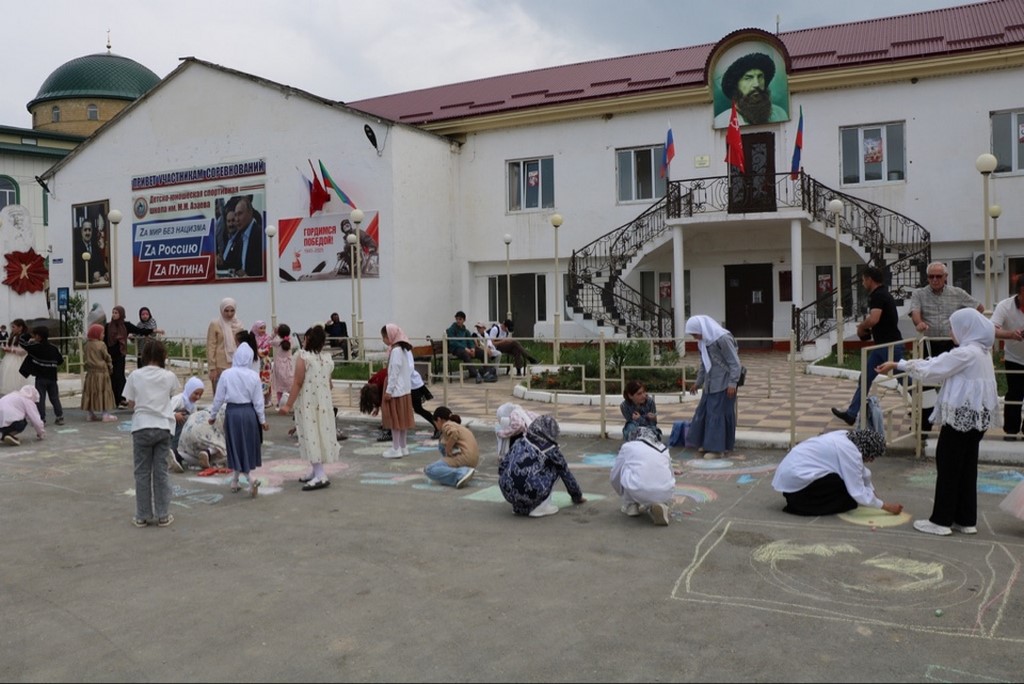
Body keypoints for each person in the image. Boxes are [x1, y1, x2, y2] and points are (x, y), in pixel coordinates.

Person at [876, 308, 999, 536]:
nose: (951, 332)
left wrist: (899, 365)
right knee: (966, 468)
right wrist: (898, 364)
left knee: (949, 466)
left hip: (960, 418)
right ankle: (965, 519)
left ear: (966, 328)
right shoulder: (982, 352)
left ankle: (941, 521)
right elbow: (939, 362)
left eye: (954, 327)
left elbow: (933, 368)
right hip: (975, 419)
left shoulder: (966, 353)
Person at [909, 262, 983, 437]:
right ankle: (923, 428)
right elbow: (915, 312)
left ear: (945, 277)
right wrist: (919, 322)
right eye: (931, 277)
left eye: (938, 276)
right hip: (928, 343)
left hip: (952, 345)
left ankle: (955, 425)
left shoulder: (957, 293)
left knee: (956, 385)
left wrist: (970, 329)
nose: (934, 280)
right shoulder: (919, 293)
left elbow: (979, 308)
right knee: (925, 384)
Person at [771, 429, 904, 517]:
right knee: (846, 494)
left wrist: (874, 494)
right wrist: (886, 507)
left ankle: (800, 502)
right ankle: (801, 506)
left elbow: (863, 473)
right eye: (872, 456)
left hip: (793, 479)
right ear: (867, 451)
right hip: (797, 485)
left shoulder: (847, 437)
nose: (871, 460)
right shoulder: (850, 452)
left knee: (844, 486)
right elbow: (857, 490)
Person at [831, 266, 903, 427]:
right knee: (866, 378)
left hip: (890, 346)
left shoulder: (878, 295)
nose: (863, 283)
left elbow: (874, 318)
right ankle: (851, 414)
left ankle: (925, 407)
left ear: (870, 279)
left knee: (906, 378)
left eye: (863, 280)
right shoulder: (881, 294)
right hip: (881, 347)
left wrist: (861, 328)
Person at [123, 339, 181, 528]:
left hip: (141, 425)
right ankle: (163, 514)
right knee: (161, 472)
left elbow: (130, 403)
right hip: (163, 425)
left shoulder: (135, 375)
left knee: (142, 472)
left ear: (144, 355)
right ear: (163, 356)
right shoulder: (169, 376)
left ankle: (142, 515)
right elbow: (172, 396)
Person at [279, 325, 339, 491]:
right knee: (319, 433)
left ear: (307, 340)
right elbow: (330, 384)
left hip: (308, 404)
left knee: (311, 434)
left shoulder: (303, 357)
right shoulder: (326, 359)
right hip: (323, 404)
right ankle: (315, 470)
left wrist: (288, 405)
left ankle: (320, 474)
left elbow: (297, 382)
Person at [498, 415, 587, 517]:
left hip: (508, 493)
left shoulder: (519, 442)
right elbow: (566, 475)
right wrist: (577, 496)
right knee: (557, 467)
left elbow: (502, 466)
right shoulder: (550, 450)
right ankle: (541, 507)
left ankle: (519, 507)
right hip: (533, 492)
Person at [209, 344, 268, 497]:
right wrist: (262, 420)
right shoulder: (254, 375)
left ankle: (250, 479)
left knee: (235, 446)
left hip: (233, 413)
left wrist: (213, 415)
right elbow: (258, 401)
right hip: (249, 414)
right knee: (246, 446)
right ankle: (235, 481)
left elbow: (219, 397)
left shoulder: (227, 374)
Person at [684, 315, 741, 459]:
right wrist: (698, 382)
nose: (694, 337)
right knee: (706, 412)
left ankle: (718, 449)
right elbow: (704, 364)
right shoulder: (704, 342)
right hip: (710, 385)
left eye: (695, 333)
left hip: (724, 384)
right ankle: (709, 444)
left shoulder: (723, 339)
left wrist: (732, 383)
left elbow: (735, 363)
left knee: (718, 414)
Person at [610, 427, 675, 525]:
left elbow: (615, 474)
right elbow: (671, 473)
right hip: (665, 491)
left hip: (639, 489)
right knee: (657, 474)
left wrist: (621, 493)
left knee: (625, 467)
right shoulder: (663, 447)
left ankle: (631, 505)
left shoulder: (628, 446)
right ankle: (659, 504)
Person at [713, 51, 788, 127]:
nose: (757, 84)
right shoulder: (722, 122)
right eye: (748, 78)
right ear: (735, 85)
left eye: (760, 77)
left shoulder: (780, 114)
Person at [106, 305, 159, 409]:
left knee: (119, 376)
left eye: (116, 313)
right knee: (112, 377)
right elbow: (104, 339)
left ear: (121, 314)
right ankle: (113, 399)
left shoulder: (126, 325)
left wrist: (153, 330)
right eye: (113, 312)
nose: (114, 315)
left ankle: (121, 399)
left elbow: (139, 330)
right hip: (110, 355)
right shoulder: (108, 326)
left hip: (120, 354)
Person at [991, 275, 1024, 441]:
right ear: (1018, 292)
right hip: (1014, 357)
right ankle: (1011, 431)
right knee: (1014, 393)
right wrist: (1011, 334)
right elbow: (992, 330)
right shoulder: (1005, 306)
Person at [380, 324, 416, 459]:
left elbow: (394, 372)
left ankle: (396, 448)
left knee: (395, 421)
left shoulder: (395, 351)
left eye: (384, 337)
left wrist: (389, 390)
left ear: (390, 336)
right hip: (405, 390)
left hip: (396, 390)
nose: (383, 340)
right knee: (403, 420)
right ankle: (403, 446)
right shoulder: (402, 350)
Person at [424, 406, 478, 488]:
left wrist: (448, 448)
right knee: (440, 463)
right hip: (472, 459)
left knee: (429, 469)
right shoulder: (457, 425)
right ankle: (463, 471)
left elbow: (454, 434)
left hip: (463, 457)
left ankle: (461, 473)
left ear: (438, 419)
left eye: (435, 423)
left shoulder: (447, 425)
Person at [20, 325, 64, 426]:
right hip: (53, 378)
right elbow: (60, 360)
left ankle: (41, 419)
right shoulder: (54, 348)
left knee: (40, 399)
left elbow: (22, 342)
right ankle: (60, 417)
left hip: (41, 378)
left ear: (39, 336)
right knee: (54, 398)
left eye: (35, 335)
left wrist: (28, 334)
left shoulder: (35, 347)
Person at [206, 298, 245, 393]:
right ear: (221, 310)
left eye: (232, 311)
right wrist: (212, 368)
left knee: (234, 393)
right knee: (220, 393)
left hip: (236, 364)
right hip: (220, 365)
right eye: (226, 311)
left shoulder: (239, 325)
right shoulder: (215, 324)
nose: (229, 314)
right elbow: (210, 346)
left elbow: (242, 345)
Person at [81, 324, 117, 423]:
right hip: (101, 372)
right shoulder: (101, 344)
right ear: (97, 334)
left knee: (91, 392)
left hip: (91, 372)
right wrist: (110, 365)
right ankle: (105, 414)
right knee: (104, 391)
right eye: (102, 333)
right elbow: (106, 357)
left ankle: (90, 414)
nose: (104, 335)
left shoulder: (87, 345)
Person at [169, 377, 205, 471]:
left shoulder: (192, 405)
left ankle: (179, 454)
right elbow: (165, 411)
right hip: (171, 431)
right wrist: (174, 415)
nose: (197, 397)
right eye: (195, 393)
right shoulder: (178, 399)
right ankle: (172, 453)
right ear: (189, 390)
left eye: (200, 395)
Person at [226, 195, 264, 278]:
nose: (237, 219)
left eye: (240, 214)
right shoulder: (238, 239)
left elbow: (266, 266)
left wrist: (249, 276)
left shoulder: (261, 234)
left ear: (250, 213)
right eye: (235, 215)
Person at [446, 311, 486, 383]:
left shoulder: (465, 330)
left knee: (481, 352)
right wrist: (465, 348)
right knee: (465, 354)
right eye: (457, 319)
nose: (458, 321)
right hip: (456, 349)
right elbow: (453, 342)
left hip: (467, 349)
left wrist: (473, 348)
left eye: (460, 319)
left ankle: (487, 371)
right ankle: (475, 374)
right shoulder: (451, 330)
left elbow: (470, 340)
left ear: (464, 320)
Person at [359, 368, 393, 443]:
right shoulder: (370, 384)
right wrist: (377, 407)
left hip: (392, 380)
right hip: (388, 377)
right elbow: (377, 398)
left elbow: (383, 401)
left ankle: (390, 429)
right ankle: (387, 425)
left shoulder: (381, 384)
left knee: (388, 407)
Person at [73, 220, 109, 285]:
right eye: (85, 230)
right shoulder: (76, 249)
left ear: (92, 231)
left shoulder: (95, 246)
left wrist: (105, 273)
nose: (87, 232)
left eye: (89, 230)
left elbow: (101, 266)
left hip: (97, 284)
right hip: (83, 285)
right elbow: (76, 272)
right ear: (81, 232)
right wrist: (91, 276)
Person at [0, 319, 31, 395]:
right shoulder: (12, 335)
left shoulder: (25, 337)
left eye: (14, 327)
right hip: (10, 359)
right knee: (9, 378)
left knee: (19, 378)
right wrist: (6, 349)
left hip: (19, 360)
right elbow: (9, 346)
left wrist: (11, 350)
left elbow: (24, 351)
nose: (12, 329)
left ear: (20, 327)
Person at [270, 323, 295, 407]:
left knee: (279, 386)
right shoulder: (290, 340)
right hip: (289, 364)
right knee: (290, 384)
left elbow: (268, 341)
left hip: (279, 365)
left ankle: (280, 402)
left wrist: (274, 333)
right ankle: (290, 402)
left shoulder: (278, 342)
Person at [251, 320, 273, 400]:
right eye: (261, 328)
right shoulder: (252, 338)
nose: (263, 330)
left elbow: (267, 350)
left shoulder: (267, 338)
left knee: (266, 380)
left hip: (265, 363)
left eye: (264, 328)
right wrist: (257, 352)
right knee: (256, 380)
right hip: (255, 362)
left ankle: (267, 399)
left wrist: (258, 352)